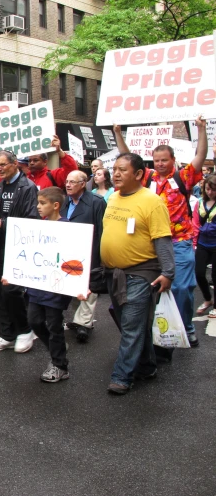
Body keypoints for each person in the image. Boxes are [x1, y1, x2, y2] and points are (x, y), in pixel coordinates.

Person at [113, 117, 207, 347]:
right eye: (156, 160)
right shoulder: (148, 177)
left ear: (173, 160)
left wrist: (201, 129)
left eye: (164, 160)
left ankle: (187, 326)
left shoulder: (182, 176)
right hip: (153, 242)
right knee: (154, 289)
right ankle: (157, 330)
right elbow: (129, 160)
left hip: (180, 240)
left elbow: (200, 156)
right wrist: (118, 132)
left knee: (183, 287)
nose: (160, 164)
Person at [101, 153, 174, 395]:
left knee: (131, 325)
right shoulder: (112, 198)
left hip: (141, 274)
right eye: (114, 169)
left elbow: (162, 240)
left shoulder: (152, 202)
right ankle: (147, 365)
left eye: (122, 170)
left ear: (139, 174)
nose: (116, 174)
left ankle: (122, 376)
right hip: (114, 273)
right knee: (130, 323)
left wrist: (168, 272)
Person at [0, 150, 39, 352]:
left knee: (12, 290)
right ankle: (6, 334)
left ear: (15, 164)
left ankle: (24, 330)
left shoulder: (28, 187)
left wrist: (2, 222)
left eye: (3, 164)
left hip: (18, 246)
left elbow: (32, 219)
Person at [17, 187, 72, 382]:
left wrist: (79, 285)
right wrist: (14, 275)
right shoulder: (38, 227)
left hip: (55, 288)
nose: (38, 207)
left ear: (55, 205)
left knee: (54, 324)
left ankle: (60, 365)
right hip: (37, 286)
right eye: (38, 203)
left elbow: (74, 258)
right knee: (34, 321)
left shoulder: (67, 227)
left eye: (42, 203)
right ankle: (57, 350)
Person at [62, 170, 106, 342]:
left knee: (89, 289)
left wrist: (101, 256)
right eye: (67, 181)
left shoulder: (96, 202)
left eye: (72, 182)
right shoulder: (64, 201)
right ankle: (79, 319)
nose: (68, 185)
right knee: (73, 289)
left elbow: (102, 230)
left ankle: (84, 324)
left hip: (89, 252)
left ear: (83, 184)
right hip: (68, 252)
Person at [192, 174, 216, 318]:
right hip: (202, 243)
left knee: (215, 276)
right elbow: (195, 223)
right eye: (207, 189)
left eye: (213, 189)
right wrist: (195, 242)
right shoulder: (199, 203)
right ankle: (208, 299)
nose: (210, 192)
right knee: (199, 273)